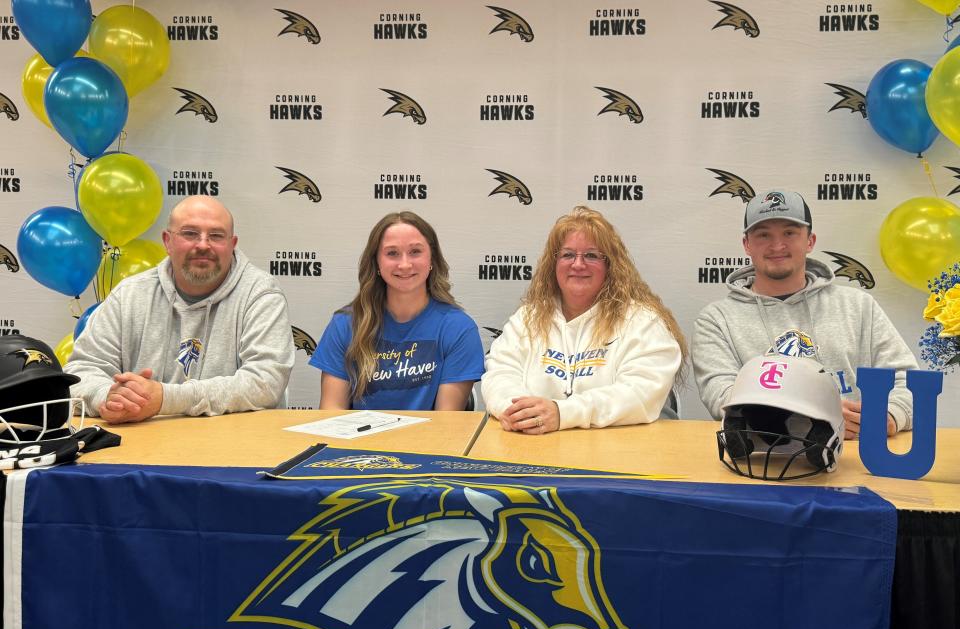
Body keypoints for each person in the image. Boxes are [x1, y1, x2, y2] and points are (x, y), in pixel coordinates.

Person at [693, 188, 918, 439]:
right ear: (747, 244)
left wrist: (891, 416)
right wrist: (814, 417)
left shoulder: (859, 306)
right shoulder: (716, 319)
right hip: (764, 456)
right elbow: (722, 397)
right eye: (763, 235)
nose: (777, 245)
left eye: (789, 233)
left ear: (810, 240)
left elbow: (907, 381)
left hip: (854, 454)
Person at [66, 195, 295, 423]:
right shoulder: (130, 295)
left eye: (216, 236)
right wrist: (110, 397)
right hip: (143, 445)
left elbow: (265, 382)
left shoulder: (260, 294)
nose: (203, 244)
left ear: (232, 245)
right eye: (190, 233)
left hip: (236, 446)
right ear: (167, 241)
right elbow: (80, 371)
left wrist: (165, 399)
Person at [481, 205, 686, 433]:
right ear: (553, 264)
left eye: (591, 255)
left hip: (618, 454)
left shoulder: (642, 322)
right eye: (568, 255)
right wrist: (517, 412)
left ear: (611, 266)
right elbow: (499, 374)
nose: (578, 264)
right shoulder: (528, 318)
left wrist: (563, 413)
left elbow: (640, 393)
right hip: (535, 447)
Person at [312, 211, 484, 410]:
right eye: (392, 253)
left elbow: (446, 424)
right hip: (355, 441)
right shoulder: (345, 324)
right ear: (377, 261)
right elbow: (331, 415)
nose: (404, 264)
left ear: (432, 260)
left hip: (429, 440)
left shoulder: (458, 328)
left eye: (415, 252)